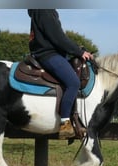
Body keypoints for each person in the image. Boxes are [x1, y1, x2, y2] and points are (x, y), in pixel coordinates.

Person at [27, 9, 93, 139]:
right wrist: (79, 52)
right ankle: (65, 123)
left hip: (49, 53)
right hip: (49, 55)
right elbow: (58, 38)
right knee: (73, 82)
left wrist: (76, 49)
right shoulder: (45, 10)